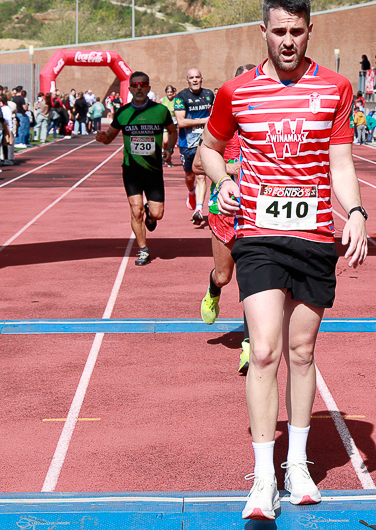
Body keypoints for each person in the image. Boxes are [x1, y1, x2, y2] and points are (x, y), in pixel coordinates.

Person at [200, 0, 368, 522]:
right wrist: (224, 180)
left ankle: (297, 465)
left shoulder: (335, 88)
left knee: (301, 352)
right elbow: (207, 149)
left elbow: (340, 162)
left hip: (314, 236)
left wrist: (356, 212)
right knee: (265, 350)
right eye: (279, 31)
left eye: (297, 31)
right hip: (258, 235)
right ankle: (263, 477)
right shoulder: (236, 92)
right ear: (264, 32)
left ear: (310, 30)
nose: (288, 40)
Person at [194, 63, 258, 372]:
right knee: (225, 275)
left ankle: (249, 347)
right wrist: (228, 169)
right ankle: (213, 290)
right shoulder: (221, 119)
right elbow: (197, 164)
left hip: (257, 211)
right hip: (224, 209)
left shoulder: (267, 120)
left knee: (253, 281)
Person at [95, 71, 177, 267]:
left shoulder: (160, 111)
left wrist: (169, 149)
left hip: (154, 170)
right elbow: (110, 136)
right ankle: (143, 249)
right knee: (135, 209)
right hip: (131, 169)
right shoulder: (122, 113)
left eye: (143, 85)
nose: (139, 88)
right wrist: (103, 138)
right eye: (135, 85)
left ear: (149, 88)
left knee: (157, 214)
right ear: (130, 89)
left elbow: (172, 131)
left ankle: (150, 212)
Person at [174, 68, 215, 225]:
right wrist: (205, 120)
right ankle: (191, 192)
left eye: (197, 77)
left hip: (204, 142)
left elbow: (214, 115)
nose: (195, 80)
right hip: (187, 143)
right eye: (192, 78)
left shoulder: (209, 95)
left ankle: (199, 209)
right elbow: (181, 122)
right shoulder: (181, 97)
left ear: (202, 78)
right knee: (190, 176)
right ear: (188, 80)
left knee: (201, 176)